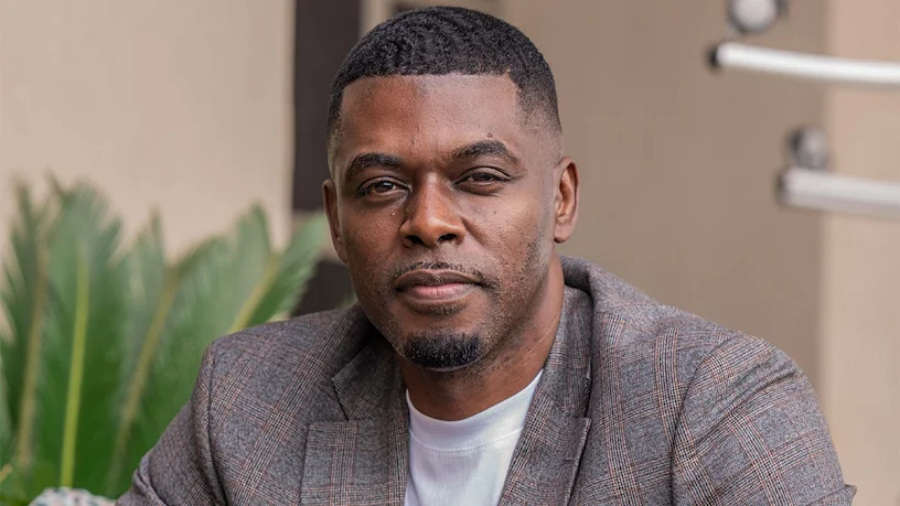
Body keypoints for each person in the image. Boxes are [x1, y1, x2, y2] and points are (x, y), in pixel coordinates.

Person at [118, 6, 854, 505]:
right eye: (382, 186)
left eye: (480, 178)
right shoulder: (248, 401)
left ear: (561, 199)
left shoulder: (712, 406)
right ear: (337, 221)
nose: (429, 222)